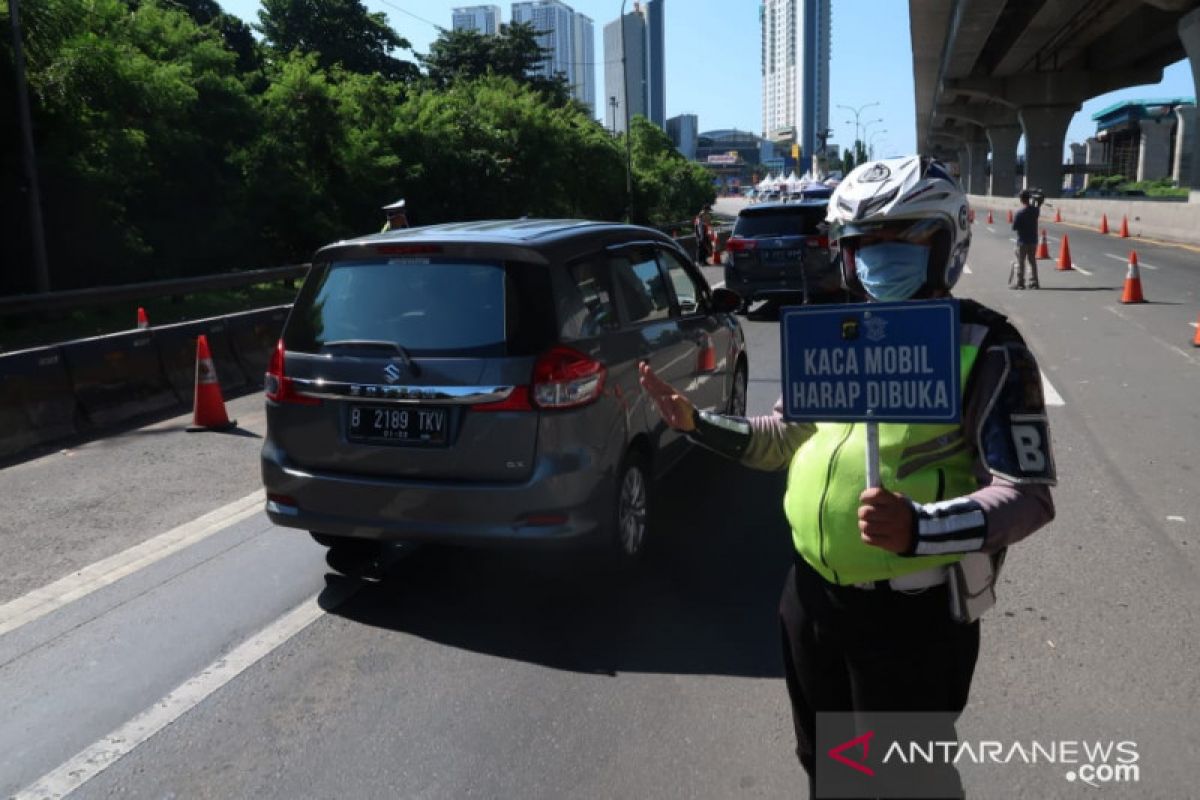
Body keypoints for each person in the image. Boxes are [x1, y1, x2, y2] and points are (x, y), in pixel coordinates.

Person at [639, 156, 1057, 798]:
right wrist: (697, 423)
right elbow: (781, 438)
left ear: (946, 244)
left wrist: (920, 528)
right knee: (827, 767)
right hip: (811, 599)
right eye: (863, 243)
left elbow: (1025, 497)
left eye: (903, 238)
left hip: (912, 615)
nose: (878, 257)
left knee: (903, 782)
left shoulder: (986, 345)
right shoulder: (835, 336)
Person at [1010, 189, 1040, 289]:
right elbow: (1037, 207)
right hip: (1033, 241)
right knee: (1032, 261)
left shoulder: (1020, 213)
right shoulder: (1035, 211)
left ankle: (1020, 283)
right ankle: (1034, 282)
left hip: (1022, 241)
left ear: (1021, 199)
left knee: (1021, 262)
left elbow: (1014, 227)